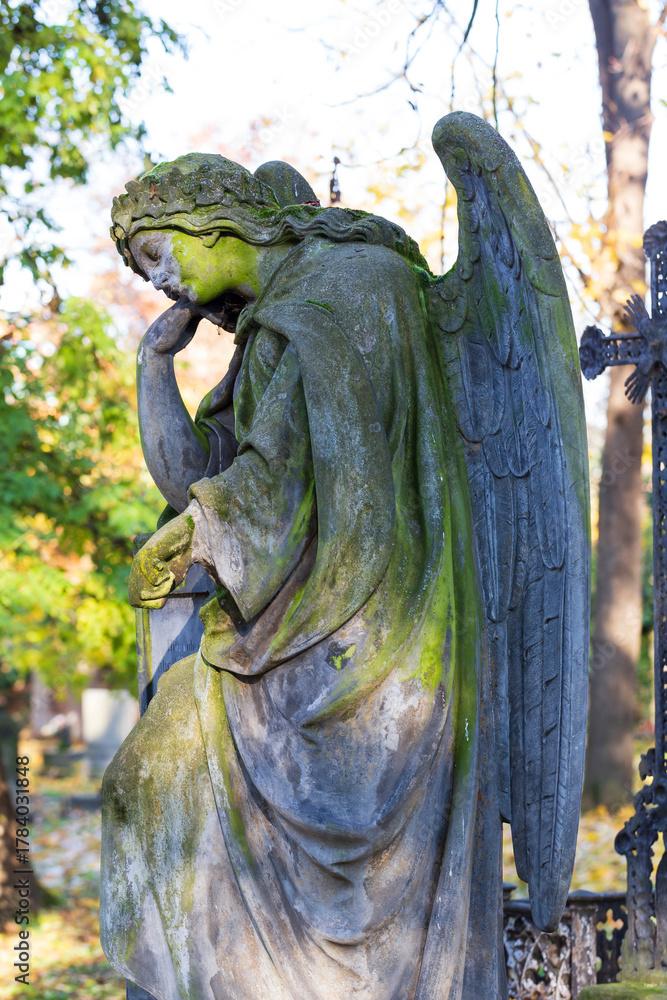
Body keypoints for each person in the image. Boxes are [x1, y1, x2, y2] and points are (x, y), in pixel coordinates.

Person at [101, 114, 590, 1000]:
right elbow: (200, 482)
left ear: (215, 222)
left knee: (160, 763)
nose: (161, 283)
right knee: (151, 771)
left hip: (368, 645)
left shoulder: (354, 287)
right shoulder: (266, 333)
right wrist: (152, 366)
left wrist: (204, 529)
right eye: (145, 273)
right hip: (283, 629)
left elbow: (294, 476)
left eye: (159, 256)